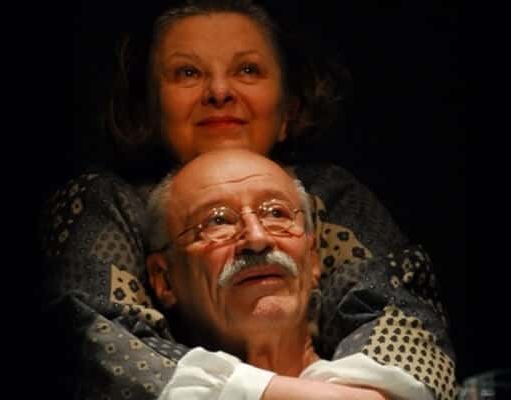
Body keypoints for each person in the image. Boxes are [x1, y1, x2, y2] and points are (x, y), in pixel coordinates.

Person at [40, 1, 456, 399]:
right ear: (147, 109)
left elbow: (402, 323)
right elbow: (99, 344)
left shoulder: (331, 195)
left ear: (289, 108)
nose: (219, 91)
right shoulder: (108, 203)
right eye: (188, 72)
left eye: (247, 69)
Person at [145, 148, 435, 400]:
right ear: (164, 279)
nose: (257, 239)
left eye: (276, 213)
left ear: (312, 259)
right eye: (217, 220)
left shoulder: (397, 389)